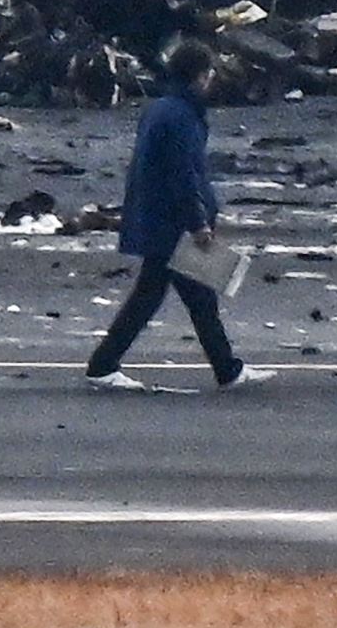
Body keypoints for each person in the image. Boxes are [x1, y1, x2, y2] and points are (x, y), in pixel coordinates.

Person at [85, 40, 270, 392]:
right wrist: (198, 222)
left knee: (173, 297)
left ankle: (225, 368)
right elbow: (184, 174)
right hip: (171, 223)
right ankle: (104, 365)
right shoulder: (182, 115)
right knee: (182, 298)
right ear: (201, 75)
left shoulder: (160, 108)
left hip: (155, 217)